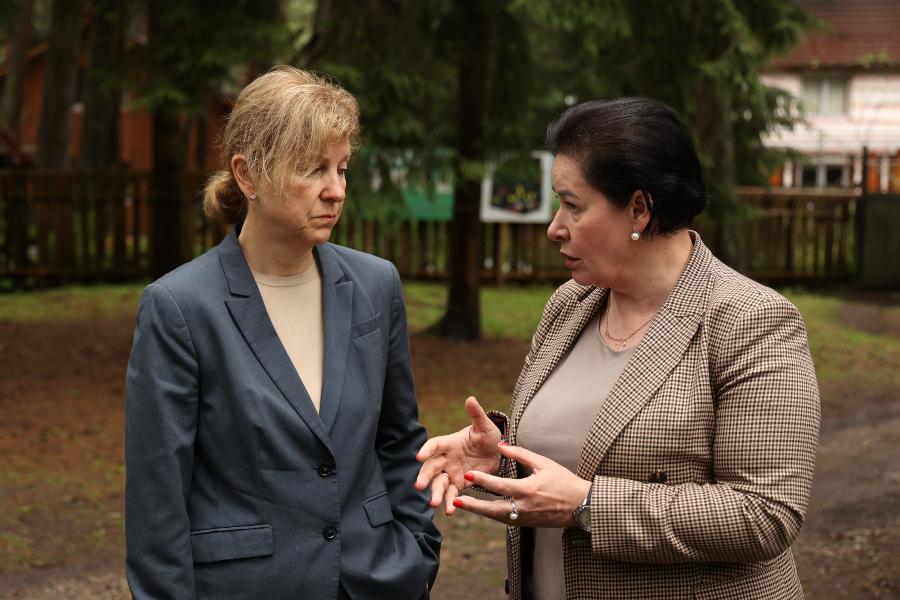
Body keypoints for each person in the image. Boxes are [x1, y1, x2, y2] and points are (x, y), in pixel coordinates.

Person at [416, 97, 820, 600]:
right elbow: (576, 451)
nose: (554, 227)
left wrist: (588, 506)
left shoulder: (751, 321)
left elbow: (766, 514)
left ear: (639, 209)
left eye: (573, 206)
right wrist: (501, 453)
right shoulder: (571, 304)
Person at [125, 66, 440, 600]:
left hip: (374, 580)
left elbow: (399, 438)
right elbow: (158, 497)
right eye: (313, 169)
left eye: (342, 168)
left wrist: (416, 554)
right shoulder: (180, 307)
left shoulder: (375, 284)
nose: (336, 191)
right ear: (247, 175)